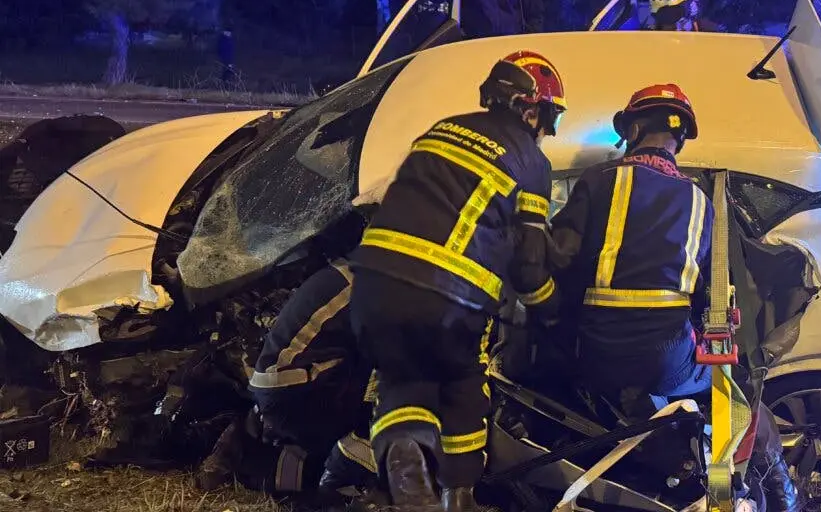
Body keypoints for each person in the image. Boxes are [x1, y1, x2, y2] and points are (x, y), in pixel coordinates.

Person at [348, 50, 565, 511]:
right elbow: (529, 269)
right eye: (547, 117)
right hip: (448, 296)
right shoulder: (532, 163)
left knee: (400, 379)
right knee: (465, 383)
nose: (545, 131)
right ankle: (457, 495)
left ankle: (404, 453)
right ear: (529, 108)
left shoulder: (439, 129)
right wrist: (552, 313)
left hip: (371, 285)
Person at [548, 83, 712, 412]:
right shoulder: (701, 201)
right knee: (717, 377)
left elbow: (561, 259)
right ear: (678, 142)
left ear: (634, 129)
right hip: (668, 361)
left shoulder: (600, 178)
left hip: (599, 353)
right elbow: (704, 292)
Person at [195, 259, 378, 499]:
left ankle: (254, 450)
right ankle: (346, 475)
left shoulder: (358, 269)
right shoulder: (383, 287)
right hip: (297, 392)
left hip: (283, 387)